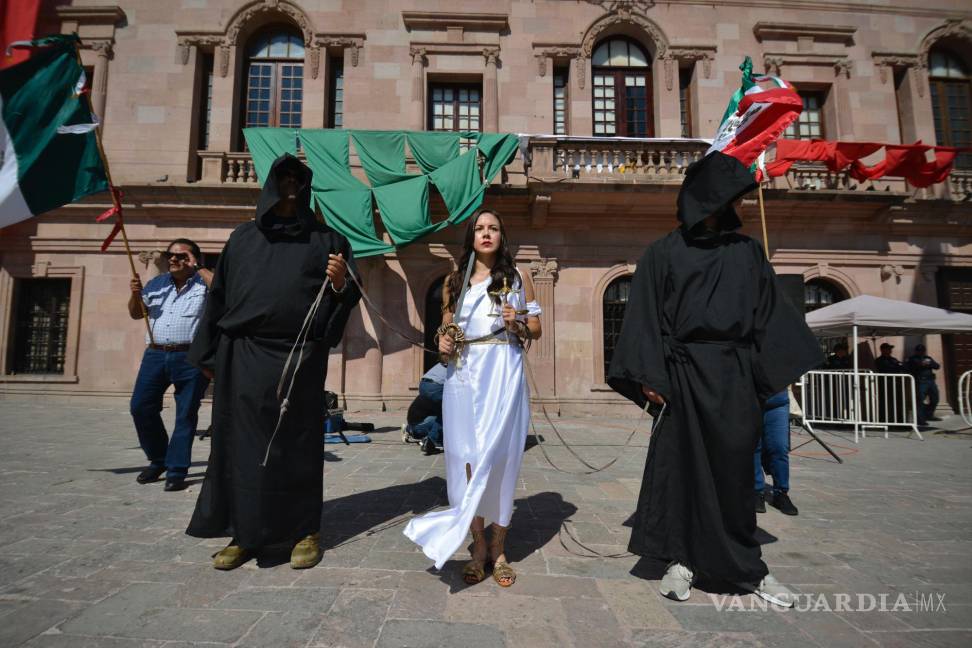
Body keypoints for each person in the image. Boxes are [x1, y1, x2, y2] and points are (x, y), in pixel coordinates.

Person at [607, 152, 823, 607]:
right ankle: (681, 560)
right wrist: (651, 375)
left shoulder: (747, 252)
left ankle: (748, 567)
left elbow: (768, 316)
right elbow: (644, 316)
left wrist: (768, 373)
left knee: (734, 476)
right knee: (681, 471)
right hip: (682, 376)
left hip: (734, 378)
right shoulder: (663, 252)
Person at [185, 153, 360, 570]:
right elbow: (219, 297)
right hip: (243, 355)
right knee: (242, 446)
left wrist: (339, 284)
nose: (288, 189)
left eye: (296, 182)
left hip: (300, 357)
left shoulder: (328, 241)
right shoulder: (242, 239)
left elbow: (346, 297)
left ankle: (304, 531)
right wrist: (208, 355)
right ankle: (245, 535)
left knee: (295, 446)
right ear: (269, 186)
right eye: (281, 181)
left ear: (305, 189)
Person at [404, 209, 542, 588]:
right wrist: (443, 342)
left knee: (501, 457)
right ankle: (478, 547)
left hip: (503, 371)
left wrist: (517, 320)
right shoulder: (454, 282)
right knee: (467, 458)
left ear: (502, 236)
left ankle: (499, 548)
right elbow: (446, 333)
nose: (486, 233)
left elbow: (536, 329)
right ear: (471, 237)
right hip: (464, 375)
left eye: (493, 228)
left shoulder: (518, 277)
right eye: (480, 228)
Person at [129, 238, 213, 492]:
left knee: (185, 414)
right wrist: (135, 295)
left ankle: (177, 470)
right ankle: (159, 460)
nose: (173, 259)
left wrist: (198, 267)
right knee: (141, 407)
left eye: (180, 256)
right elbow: (136, 312)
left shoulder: (205, 284)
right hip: (155, 354)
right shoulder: (157, 284)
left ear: (194, 259)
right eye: (170, 255)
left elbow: (224, 291)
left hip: (190, 357)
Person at [754, 390, 798, 516]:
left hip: (778, 401)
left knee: (779, 447)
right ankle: (757, 492)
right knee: (754, 447)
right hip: (750, 399)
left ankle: (781, 493)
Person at [402, 363, 446, 455]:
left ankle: (410, 430)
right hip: (418, 426)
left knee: (445, 415)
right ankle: (431, 442)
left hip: (425, 383)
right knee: (448, 414)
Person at [906, 344, 941, 425]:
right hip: (921, 381)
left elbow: (937, 366)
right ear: (916, 351)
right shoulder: (912, 359)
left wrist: (929, 364)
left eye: (922, 351)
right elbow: (909, 368)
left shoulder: (928, 358)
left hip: (931, 381)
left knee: (935, 398)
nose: (921, 352)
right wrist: (920, 364)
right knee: (920, 400)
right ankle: (920, 420)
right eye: (919, 351)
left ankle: (929, 415)